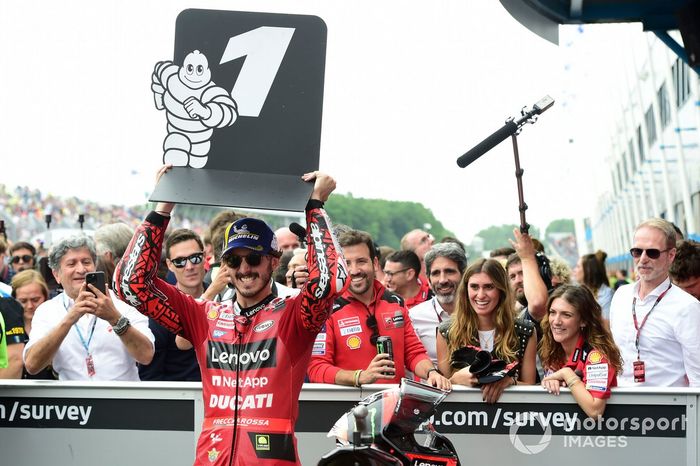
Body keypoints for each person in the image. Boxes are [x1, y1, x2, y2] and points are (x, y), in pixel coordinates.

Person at [114, 167, 348, 465]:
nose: (244, 268)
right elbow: (129, 283)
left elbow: (331, 281)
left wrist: (315, 206)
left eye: (253, 258)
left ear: (273, 262)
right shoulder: (204, 316)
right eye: (234, 260)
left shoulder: (294, 316)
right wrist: (164, 205)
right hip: (211, 459)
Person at [307, 229, 450, 390]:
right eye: (346, 263)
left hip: (393, 406)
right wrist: (359, 377)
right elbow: (316, 368)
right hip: (347, 407)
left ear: (375, 264)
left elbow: (413, 352)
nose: (354, 270)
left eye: (361, 261)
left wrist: (432, 372)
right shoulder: (326, 308)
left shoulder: (395, 302)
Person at [23, 235, 155, 380]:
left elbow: (146, 356)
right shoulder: (46, 311)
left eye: (86, 262)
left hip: (121, 399)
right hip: (74, 401)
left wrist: (115, 319)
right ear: (57, 275)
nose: (81, 269)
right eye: (71, 264)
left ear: (95, 266)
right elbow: (32, 365)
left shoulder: (124, 302)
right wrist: (70, 319)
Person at [610, 218, 700, 387]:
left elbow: (698, 378)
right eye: (637, 252)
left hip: (668, 410)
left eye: (652, 252)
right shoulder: (621, 296)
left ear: (671, 255)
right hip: (620, 406)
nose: (643, 259)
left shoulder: (687, 306)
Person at [436, 258, 537, 404]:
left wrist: (509, 382)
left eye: (489, 287)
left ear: (501, 290)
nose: (481, 295)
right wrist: (455, 380)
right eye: (474, 287)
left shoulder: (524, 331)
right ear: (466, 290)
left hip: (510, 419)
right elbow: (442, 392)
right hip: (463, 419)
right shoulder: (447, 331)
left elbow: (531, 388)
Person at [540, 285, 623, 418]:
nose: (556, 321)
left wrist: (567, 375)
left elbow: (595, 411)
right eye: (552, 312)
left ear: (583, 321)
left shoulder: (597, 357)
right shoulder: (553, 350)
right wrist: (553, 383)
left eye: (566, 315)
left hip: (601, 436)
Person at [138, 228, 203, 382]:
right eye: (180, 262)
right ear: (169, 265)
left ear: (205, 257)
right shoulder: (160, 308)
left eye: (195, 258)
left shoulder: (224, 297)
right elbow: (150, 376)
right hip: (180, 398)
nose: (189, 267)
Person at [408, 243, 467, 365]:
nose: (443, 280)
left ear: (464, 274)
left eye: (449, 271)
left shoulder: (481, 312)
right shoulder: (414, 317)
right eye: (435, 273)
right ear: (428, 280)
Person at [9, 270, 56, 379]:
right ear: (14, 299)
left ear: (45, 297)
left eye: (35, 300)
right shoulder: (7, 326)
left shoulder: (57, 322)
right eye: (23, 301)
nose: (30, 306)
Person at [573, 251, 614, 320]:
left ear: (588, 270)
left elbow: (606, 325)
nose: (574, 270)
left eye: (578, 267)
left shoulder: (606, 294)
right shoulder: (578, 292)